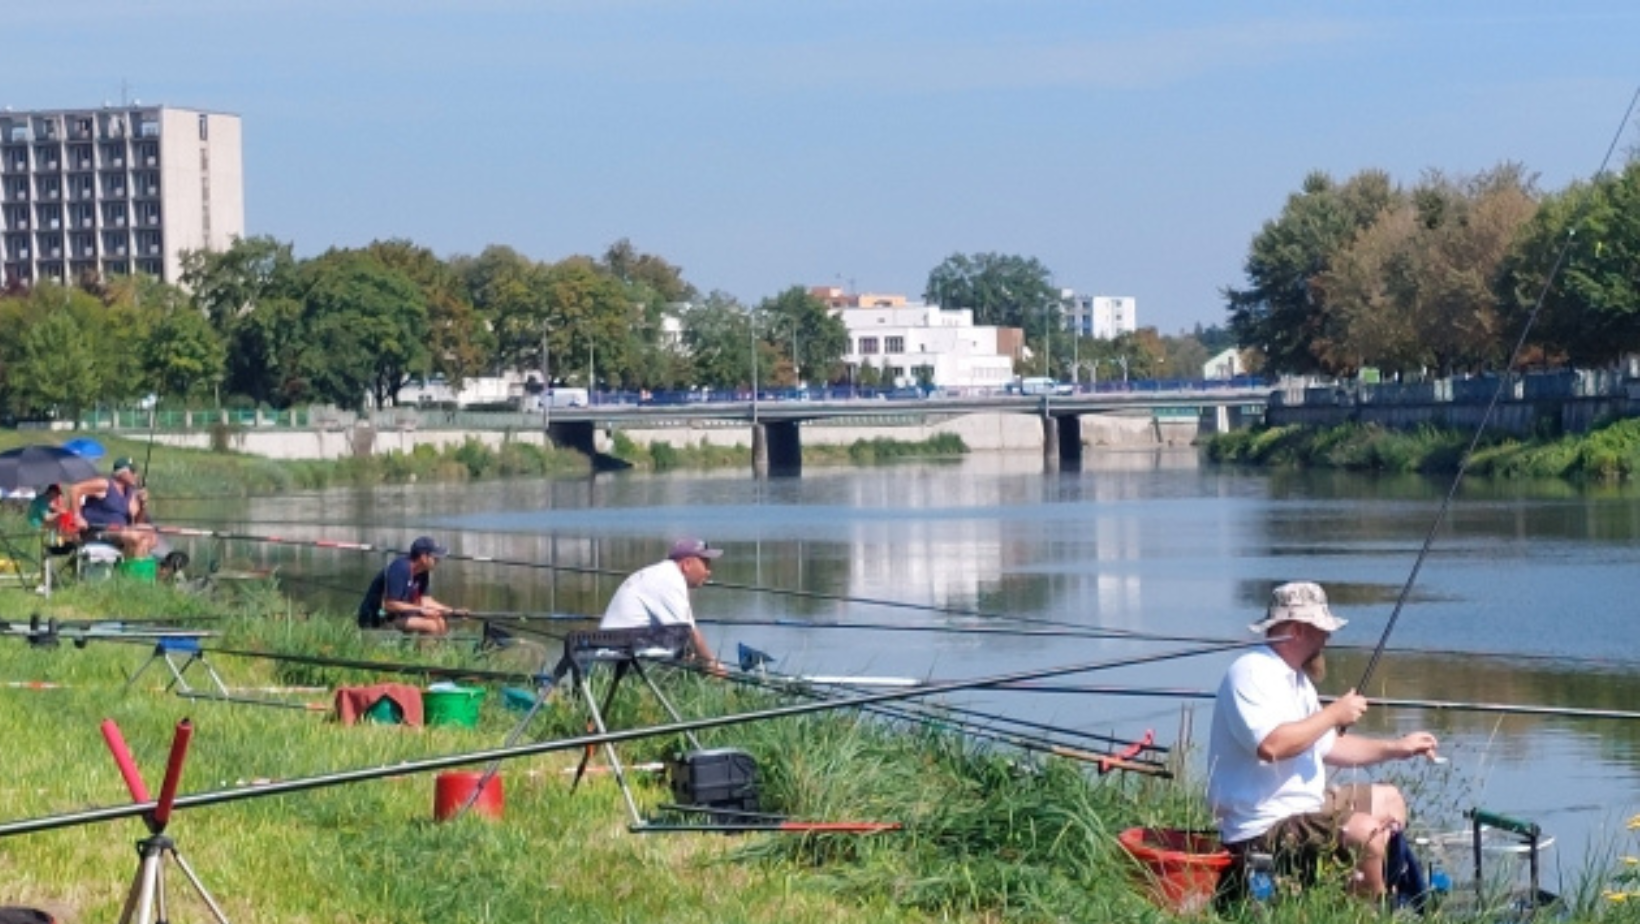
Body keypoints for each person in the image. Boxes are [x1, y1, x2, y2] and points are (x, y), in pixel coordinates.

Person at [1206, 581, 1439, 899]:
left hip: (1305, 808)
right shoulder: (1251, 673)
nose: (1328, 637)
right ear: (1298, 630)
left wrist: (1398, 748)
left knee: (1389, 799)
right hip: (1262, 827)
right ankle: (1366, 912)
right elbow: (1272, 745)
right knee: (1366, 833)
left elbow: (1329, 745)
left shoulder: (1297, 680)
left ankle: (1378, 890)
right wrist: (1333, 714)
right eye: (1322, 629)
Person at [599, 536, 722, 671]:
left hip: (620, 650)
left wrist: (699, 658)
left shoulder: (663, 574)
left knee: (687, 655)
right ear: (687, 564)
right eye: (706, 564)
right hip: (619, 659)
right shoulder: (669, 580)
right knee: (690, 660)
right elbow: (690, 634)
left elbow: (687, 633)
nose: (709, 572)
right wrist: (711, 666)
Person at [357, 536, 465, 635]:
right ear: (423, 557)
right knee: (431, 625)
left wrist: (452, 611)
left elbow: (426, 601)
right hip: (377, 618)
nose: (438, 560)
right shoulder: (400, 569)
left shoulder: (423, 572)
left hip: (398, 616)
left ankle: (430, 655)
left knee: (440, 621)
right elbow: (389, 605)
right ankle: (424, 655)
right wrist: (420, 610)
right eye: (435, 557)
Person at [66, 457, 158, 560]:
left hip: (120, 532)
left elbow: (137, 522)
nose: (136, 475)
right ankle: (130, 570)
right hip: (99, 530)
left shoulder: (130, 493)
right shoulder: (105, 484)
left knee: (152, 538)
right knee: (135, 537)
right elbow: (75, 490)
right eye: (132, 471)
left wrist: (143, 505)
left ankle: (134, 572)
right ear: (121, 473)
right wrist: (77, 517)